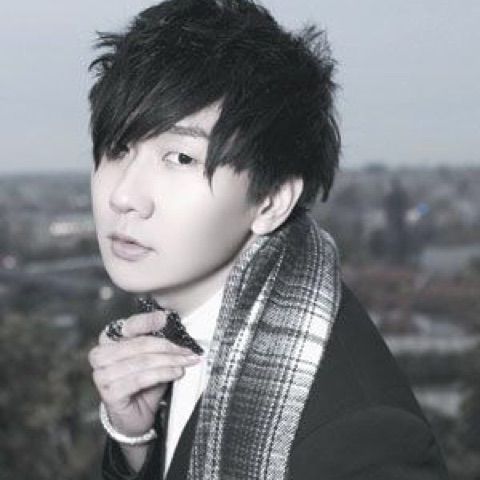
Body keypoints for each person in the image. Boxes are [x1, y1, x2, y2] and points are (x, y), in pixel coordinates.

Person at [86, 0, 450, 478]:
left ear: (271, 200)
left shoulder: (363, 441)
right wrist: (136, 443)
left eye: (180, 158)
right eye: (118, 148)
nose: (124, 196)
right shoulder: (183, 328)